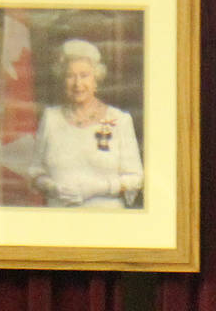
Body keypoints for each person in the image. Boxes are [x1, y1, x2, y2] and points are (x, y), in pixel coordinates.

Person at [27, 38, 143, 209]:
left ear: (96, 79)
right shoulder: (50, 118)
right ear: (62, 79)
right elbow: (35, 172)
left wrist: (97, 188)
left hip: (107, 222)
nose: (77, 84)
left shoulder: (119, 120)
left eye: (84, 75)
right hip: (58, 221)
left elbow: (136, 178)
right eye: (70, 76)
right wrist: (52, 187)